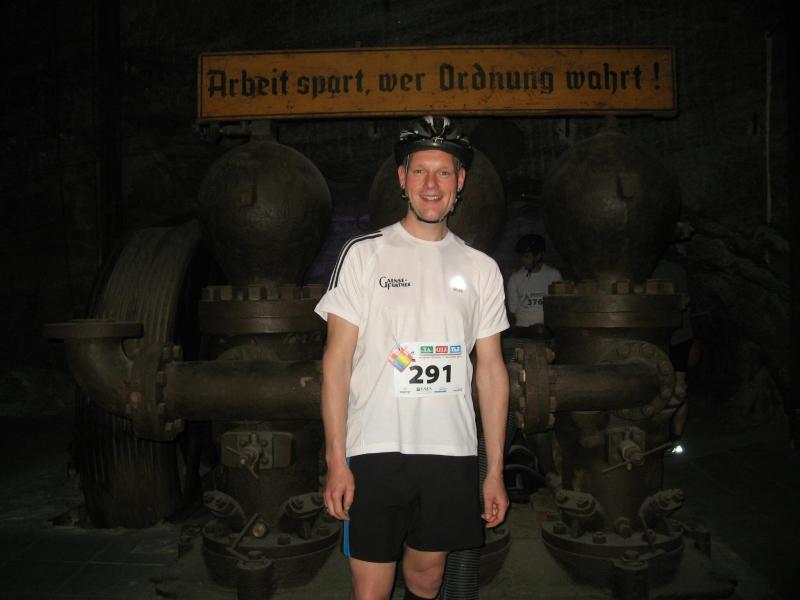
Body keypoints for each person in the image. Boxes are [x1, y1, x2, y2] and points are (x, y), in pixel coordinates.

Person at [315, 115, 510, 600]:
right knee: (371, 590)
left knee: (428, 578)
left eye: (443, 172)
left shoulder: (481, 268)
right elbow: (336, 363)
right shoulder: (363, 255)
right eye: (420, 171)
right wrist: (336, 460)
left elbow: (491, 371)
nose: (431, 184)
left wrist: (494, 470)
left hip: (451, 452)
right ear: (402, 179)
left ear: (460, 182)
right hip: (375, 448)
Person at [506, 234, 562, 337]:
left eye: (527, 257)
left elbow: (559, 306)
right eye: (522, 256)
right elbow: (513, 310)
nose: (523, 260)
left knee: (541, 331)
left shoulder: (553, 275)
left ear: (538, 256)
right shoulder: (515, 278)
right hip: (523, 330)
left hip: (547, 330)